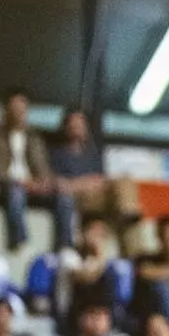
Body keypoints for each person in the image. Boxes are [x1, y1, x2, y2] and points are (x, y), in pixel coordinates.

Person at [0, 88, 73, 251]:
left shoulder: (33, 137)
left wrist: (43, 182)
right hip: (6, 185)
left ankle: (65, 247)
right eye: (15, 109)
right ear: (5, 111)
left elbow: (42, 167)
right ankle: (19, 240)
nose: (19, 113)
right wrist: (20, 182)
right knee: (16, 193)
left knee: (64, 196)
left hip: (32, 187)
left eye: (22, 109)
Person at [50, 108, 143, 252]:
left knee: (125, 180)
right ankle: (126, 212)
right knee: (116, 190)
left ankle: (128, 215)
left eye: (80, 123)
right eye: (73, 123)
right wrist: (85, 183)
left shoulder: (92, 155)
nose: (77, 127)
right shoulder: (56, 154)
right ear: (65, 126)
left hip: (98, 198)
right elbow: (60, 185)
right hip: (77, 199)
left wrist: (91, 182)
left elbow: (100, 179)